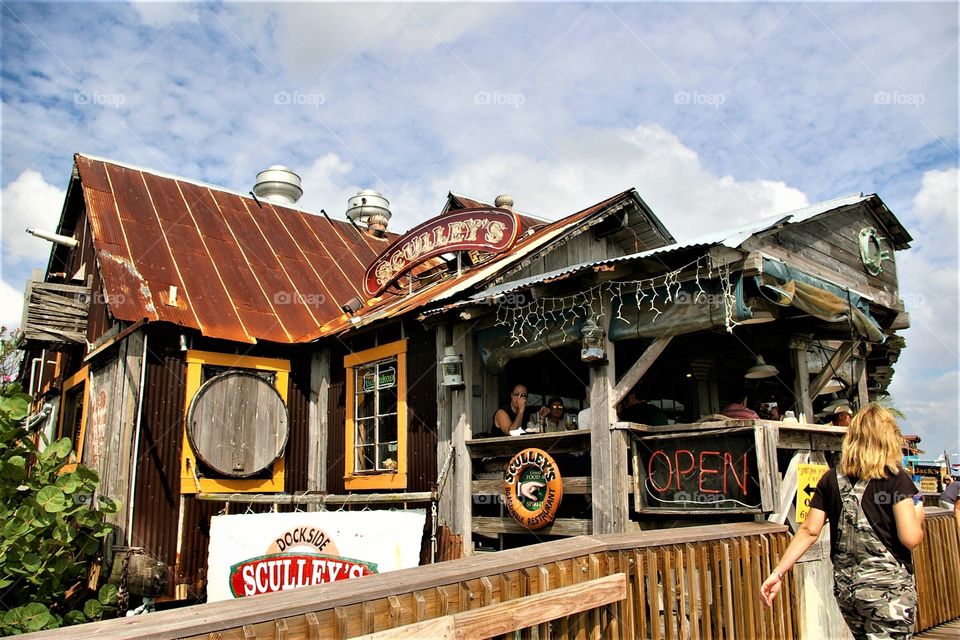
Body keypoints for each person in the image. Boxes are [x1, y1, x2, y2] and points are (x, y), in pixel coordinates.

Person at [760, 404, 925, 639]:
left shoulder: (830, 480)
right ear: (888, 437)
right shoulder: (895, 478)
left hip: (848, 591)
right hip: (889, 592)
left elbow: (808, 531)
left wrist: (777, 573)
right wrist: (918, 517)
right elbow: (910, 538)